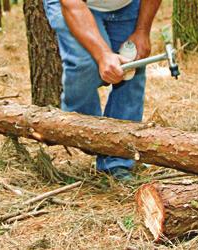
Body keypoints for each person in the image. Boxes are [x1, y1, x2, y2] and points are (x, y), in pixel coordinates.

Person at [43, 0, 162, 181]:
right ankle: (84, 131)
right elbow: (72, 4)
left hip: (127, 5)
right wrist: (103, 55)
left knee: (131, 66)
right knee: (86, 64)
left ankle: (117, 161)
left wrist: (142, 31)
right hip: (73, 4)